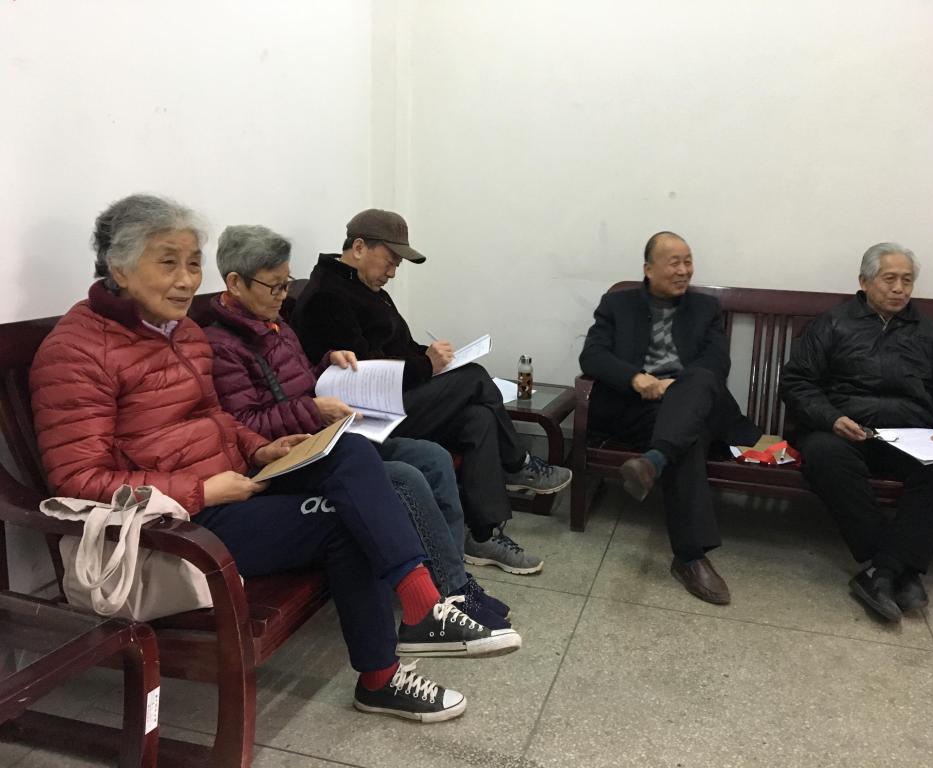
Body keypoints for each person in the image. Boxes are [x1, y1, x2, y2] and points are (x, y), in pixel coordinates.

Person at [30, 194, 522, 724]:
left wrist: (259, 448)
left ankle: (420, 604)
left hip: (237, 481)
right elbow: (76, 479)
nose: (187, 280)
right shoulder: (77, 351)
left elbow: (218, 418)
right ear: (119, 267)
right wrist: (202, 490)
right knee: (348, 519)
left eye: (193, 263)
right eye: (168, 262)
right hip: (179, 520)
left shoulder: (182, 332)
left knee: (352, 450)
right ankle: (387, 668)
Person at [201, 224, 511, 628]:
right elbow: (245, 425)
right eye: (274, 286)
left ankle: (454, 582)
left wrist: (327, 364)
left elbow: (300, 385)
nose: (282, 295)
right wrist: (313, 410)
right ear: (235, 283)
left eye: (286, 284)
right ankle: (443, 598)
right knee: (405, 478)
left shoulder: (276, 326)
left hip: (327, 438)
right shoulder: (221, 346)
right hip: (287, 458)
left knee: (432, 457)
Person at [290, 209, 572, 575]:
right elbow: (365, 376)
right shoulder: (327, 297)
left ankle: (482, 535)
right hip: (366, 416)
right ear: (359, 248)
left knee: (478, 417)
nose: (393, 272)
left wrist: (431, 358)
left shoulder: (368, 289)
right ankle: (518, 464)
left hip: (396, 400)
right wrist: (427, 365)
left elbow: (400, 348)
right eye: (390, 261)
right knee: (474, 378)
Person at [780, 242, 933, 622]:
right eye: (890, 279)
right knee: (823, 456)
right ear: (864, 281)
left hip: (912, 436)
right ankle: (901, 569)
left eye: (907, 280)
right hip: (846, 431)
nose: (899, 289)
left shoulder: (932, 333)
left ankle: (881, 571)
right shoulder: (832, 324)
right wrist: (831, 418)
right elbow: (797, 383)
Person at [579, 231, 759, 605]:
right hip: (638, 407)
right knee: (687, 433)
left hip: (693, 401)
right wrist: (636, 378)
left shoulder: (705, 308)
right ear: (648, 269)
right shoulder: (616, 304)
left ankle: (656, 464)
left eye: (688, 261)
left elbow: (716, 363)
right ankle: (689, 557)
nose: (683, 270)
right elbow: (592, 356)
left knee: (699, 385)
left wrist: (677, 386)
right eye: (674, 262)